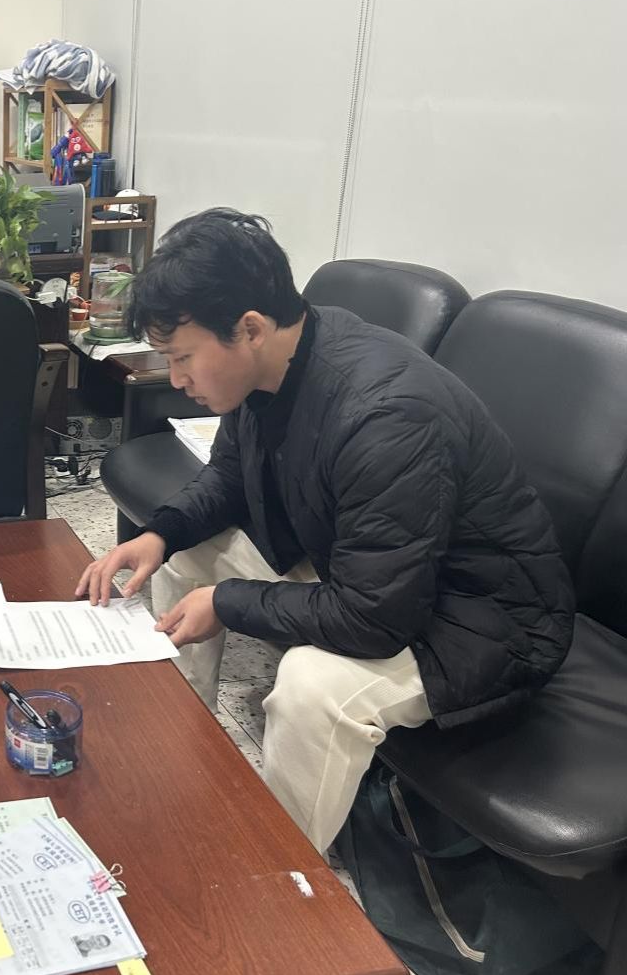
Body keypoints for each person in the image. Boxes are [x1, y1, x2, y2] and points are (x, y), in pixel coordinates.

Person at [77, 208, 574, 853]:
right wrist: (161, 533)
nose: (176, 379)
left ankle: (281, 871)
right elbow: (229, 477)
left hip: (479, 618)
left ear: (249, 329)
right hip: (374, 569)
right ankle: (185, 743)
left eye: (183, 358)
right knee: (185, 555)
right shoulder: (278, 360)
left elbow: (374, 618)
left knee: (312, 689)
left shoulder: (385, 415)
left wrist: (227, 602)